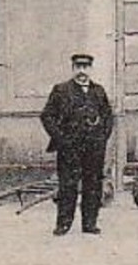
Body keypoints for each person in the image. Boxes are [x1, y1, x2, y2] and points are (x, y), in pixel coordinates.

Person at [40, 53, 115, 236]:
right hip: (69, 148)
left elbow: (108, 117)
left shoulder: (98, 91)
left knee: (93, 186)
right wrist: (61, 139)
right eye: (78, 67)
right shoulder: (61, 90)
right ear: (73, 68)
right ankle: (63, 224)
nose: (82, 71)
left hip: (93, 149)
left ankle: (90, 223)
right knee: (68, 185)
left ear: (91, 69)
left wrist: (102, 138)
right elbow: (47, 116)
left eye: (85, 67)